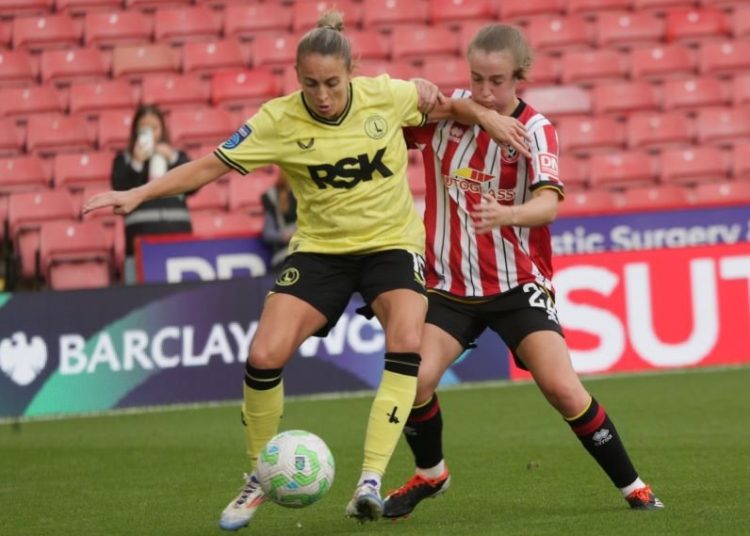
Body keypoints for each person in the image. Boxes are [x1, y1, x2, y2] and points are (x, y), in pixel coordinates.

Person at [84, 11, 531, 531]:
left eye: (332, 83)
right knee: (263, 353)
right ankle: (258, 476)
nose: (322, 95)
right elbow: (209, 165)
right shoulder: (278, 120)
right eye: (311, 84)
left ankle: (370, 481)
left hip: (390, 245)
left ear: (352, 71)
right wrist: (137, 193)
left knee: (406, 340)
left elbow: (445, 103)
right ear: (298, 77)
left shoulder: (385, 95)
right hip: (320, 251)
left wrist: (488, 116)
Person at [382, 23, 664, 519]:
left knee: (561, 388)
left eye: (496, 81)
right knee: (414, 381)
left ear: (520, 77)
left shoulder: (536, 130)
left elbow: (548, 205)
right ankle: (431, 473)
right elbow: (377, 112)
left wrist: (507, 214)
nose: (486, 92)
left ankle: (634, 486)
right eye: (477, 79)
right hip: (449, 288)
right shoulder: (449, 115)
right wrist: (426, 93)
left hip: (517, 284)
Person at [111, 104, 192, 284]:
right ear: (135, 131)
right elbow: (120, 188)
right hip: (140, 246)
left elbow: (194, 185)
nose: (150, 133)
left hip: (178, 242)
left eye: (154, 128)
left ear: (162, 129)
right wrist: (137, 163)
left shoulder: (177, 157)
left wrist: (171, 158)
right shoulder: (124, 160)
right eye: (144, 128)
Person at [260, 172, 297, 271]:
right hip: (283, 254)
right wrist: (283, 236)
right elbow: (267, 234)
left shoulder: (301, 196)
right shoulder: (271, 199)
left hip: (304, 250)